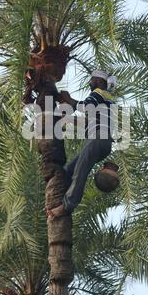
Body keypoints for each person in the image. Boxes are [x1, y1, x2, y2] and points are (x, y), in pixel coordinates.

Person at [47, 69, 116, 220]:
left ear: (99, 81)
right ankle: (61, 194)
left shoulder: (99, 92)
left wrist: (69, 100)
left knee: (80, 171)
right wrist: (64, 119)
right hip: (101, 141)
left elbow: (86, 107)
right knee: (67, 170)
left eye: (92, 80)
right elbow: (88, 121)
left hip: (98, 139)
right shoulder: (106, 101)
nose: (90, 82)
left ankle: (67, 206)